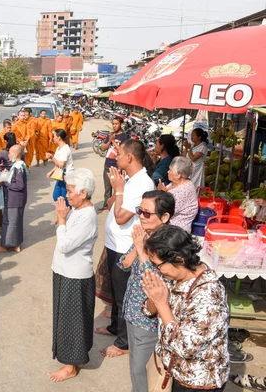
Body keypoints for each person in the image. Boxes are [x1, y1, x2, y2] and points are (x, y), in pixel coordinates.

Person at [141, 226, 229, 392]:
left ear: (179, 260)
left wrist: (161, 303)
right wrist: (153, 297)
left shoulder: (209, 295)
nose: (156, 270)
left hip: (196, 381)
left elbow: (185, 347)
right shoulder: (174, 276)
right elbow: (148, 311)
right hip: (170, 370)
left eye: (157, 265)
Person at [96, 139, 155, 359]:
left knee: (124, 296)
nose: (115, 157)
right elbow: (112, 204)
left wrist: (119, 191)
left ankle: (123, 342)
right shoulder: (130, 180)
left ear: (129, 157)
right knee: (115, 291)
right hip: (114, 244)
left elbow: (121, 217)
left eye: (119, 153)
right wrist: (117, 189)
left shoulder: (142, 184)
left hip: (125, 248)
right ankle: (114, 328)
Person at [118, 190, 175, 392]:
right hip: (132, 312)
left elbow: (154, 282)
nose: (141, 216)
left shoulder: (169, 244)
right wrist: (137, 246)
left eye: (147, 213)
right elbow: (124, 264)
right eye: (139, 211)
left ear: (165, 217)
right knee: (135, 367)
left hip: (148, 320)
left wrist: (141, 250)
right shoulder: (145, 236)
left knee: (142, 370)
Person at [48, 169, 98, 382]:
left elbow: (66, 244)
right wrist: (65, 218)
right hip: (66, 271)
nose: (67, 195)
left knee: (71, 321)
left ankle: (70, 365)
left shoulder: (87, 215)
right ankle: (73, 359)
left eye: (70, 191)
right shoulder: (78, 210)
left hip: (75, 275)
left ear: (83, 193)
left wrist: (61, 219)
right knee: (68, 318)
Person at [0, 145, 28, 253]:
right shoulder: (18, 165)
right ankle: (16, 244)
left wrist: (4, 183)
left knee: (9, 222)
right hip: (17, 199)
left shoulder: (18, 167)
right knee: (16, 221)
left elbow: (19, 185)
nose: (8, 155)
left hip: (14, 199)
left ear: (16, 154)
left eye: (10, 153)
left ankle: (5, 245)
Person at [157, 157, 198, 233]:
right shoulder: (175, 182)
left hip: (176, 232)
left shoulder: (184, 190)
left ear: (179, 174)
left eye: (170, 170)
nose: (168, 172)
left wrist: (161, 193)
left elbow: (165, 209)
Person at [100, 117, 130, 210]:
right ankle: (106, 205)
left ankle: (116, 206)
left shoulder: (125, 137)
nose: (114, 125)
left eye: (116, 123)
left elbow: (122, 151)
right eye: (113, 123)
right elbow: (103, 148)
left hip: (118, 166)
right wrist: (109, 140)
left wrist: (113, 141)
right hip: (107, 164)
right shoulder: (110, 135)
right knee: (107, 188)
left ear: (121, 124)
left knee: (117, 188)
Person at [45, 129, 74, 202]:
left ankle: (67, 211)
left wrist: (51, 157)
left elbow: (61, 164)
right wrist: (51, 172)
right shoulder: (58, 148)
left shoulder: (65, 149)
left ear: (59, 137)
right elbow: (57, 164)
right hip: (60, 176)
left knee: (65, 197)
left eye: (54, 136)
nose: (53, 138)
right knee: (56, 196)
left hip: (66, 176)